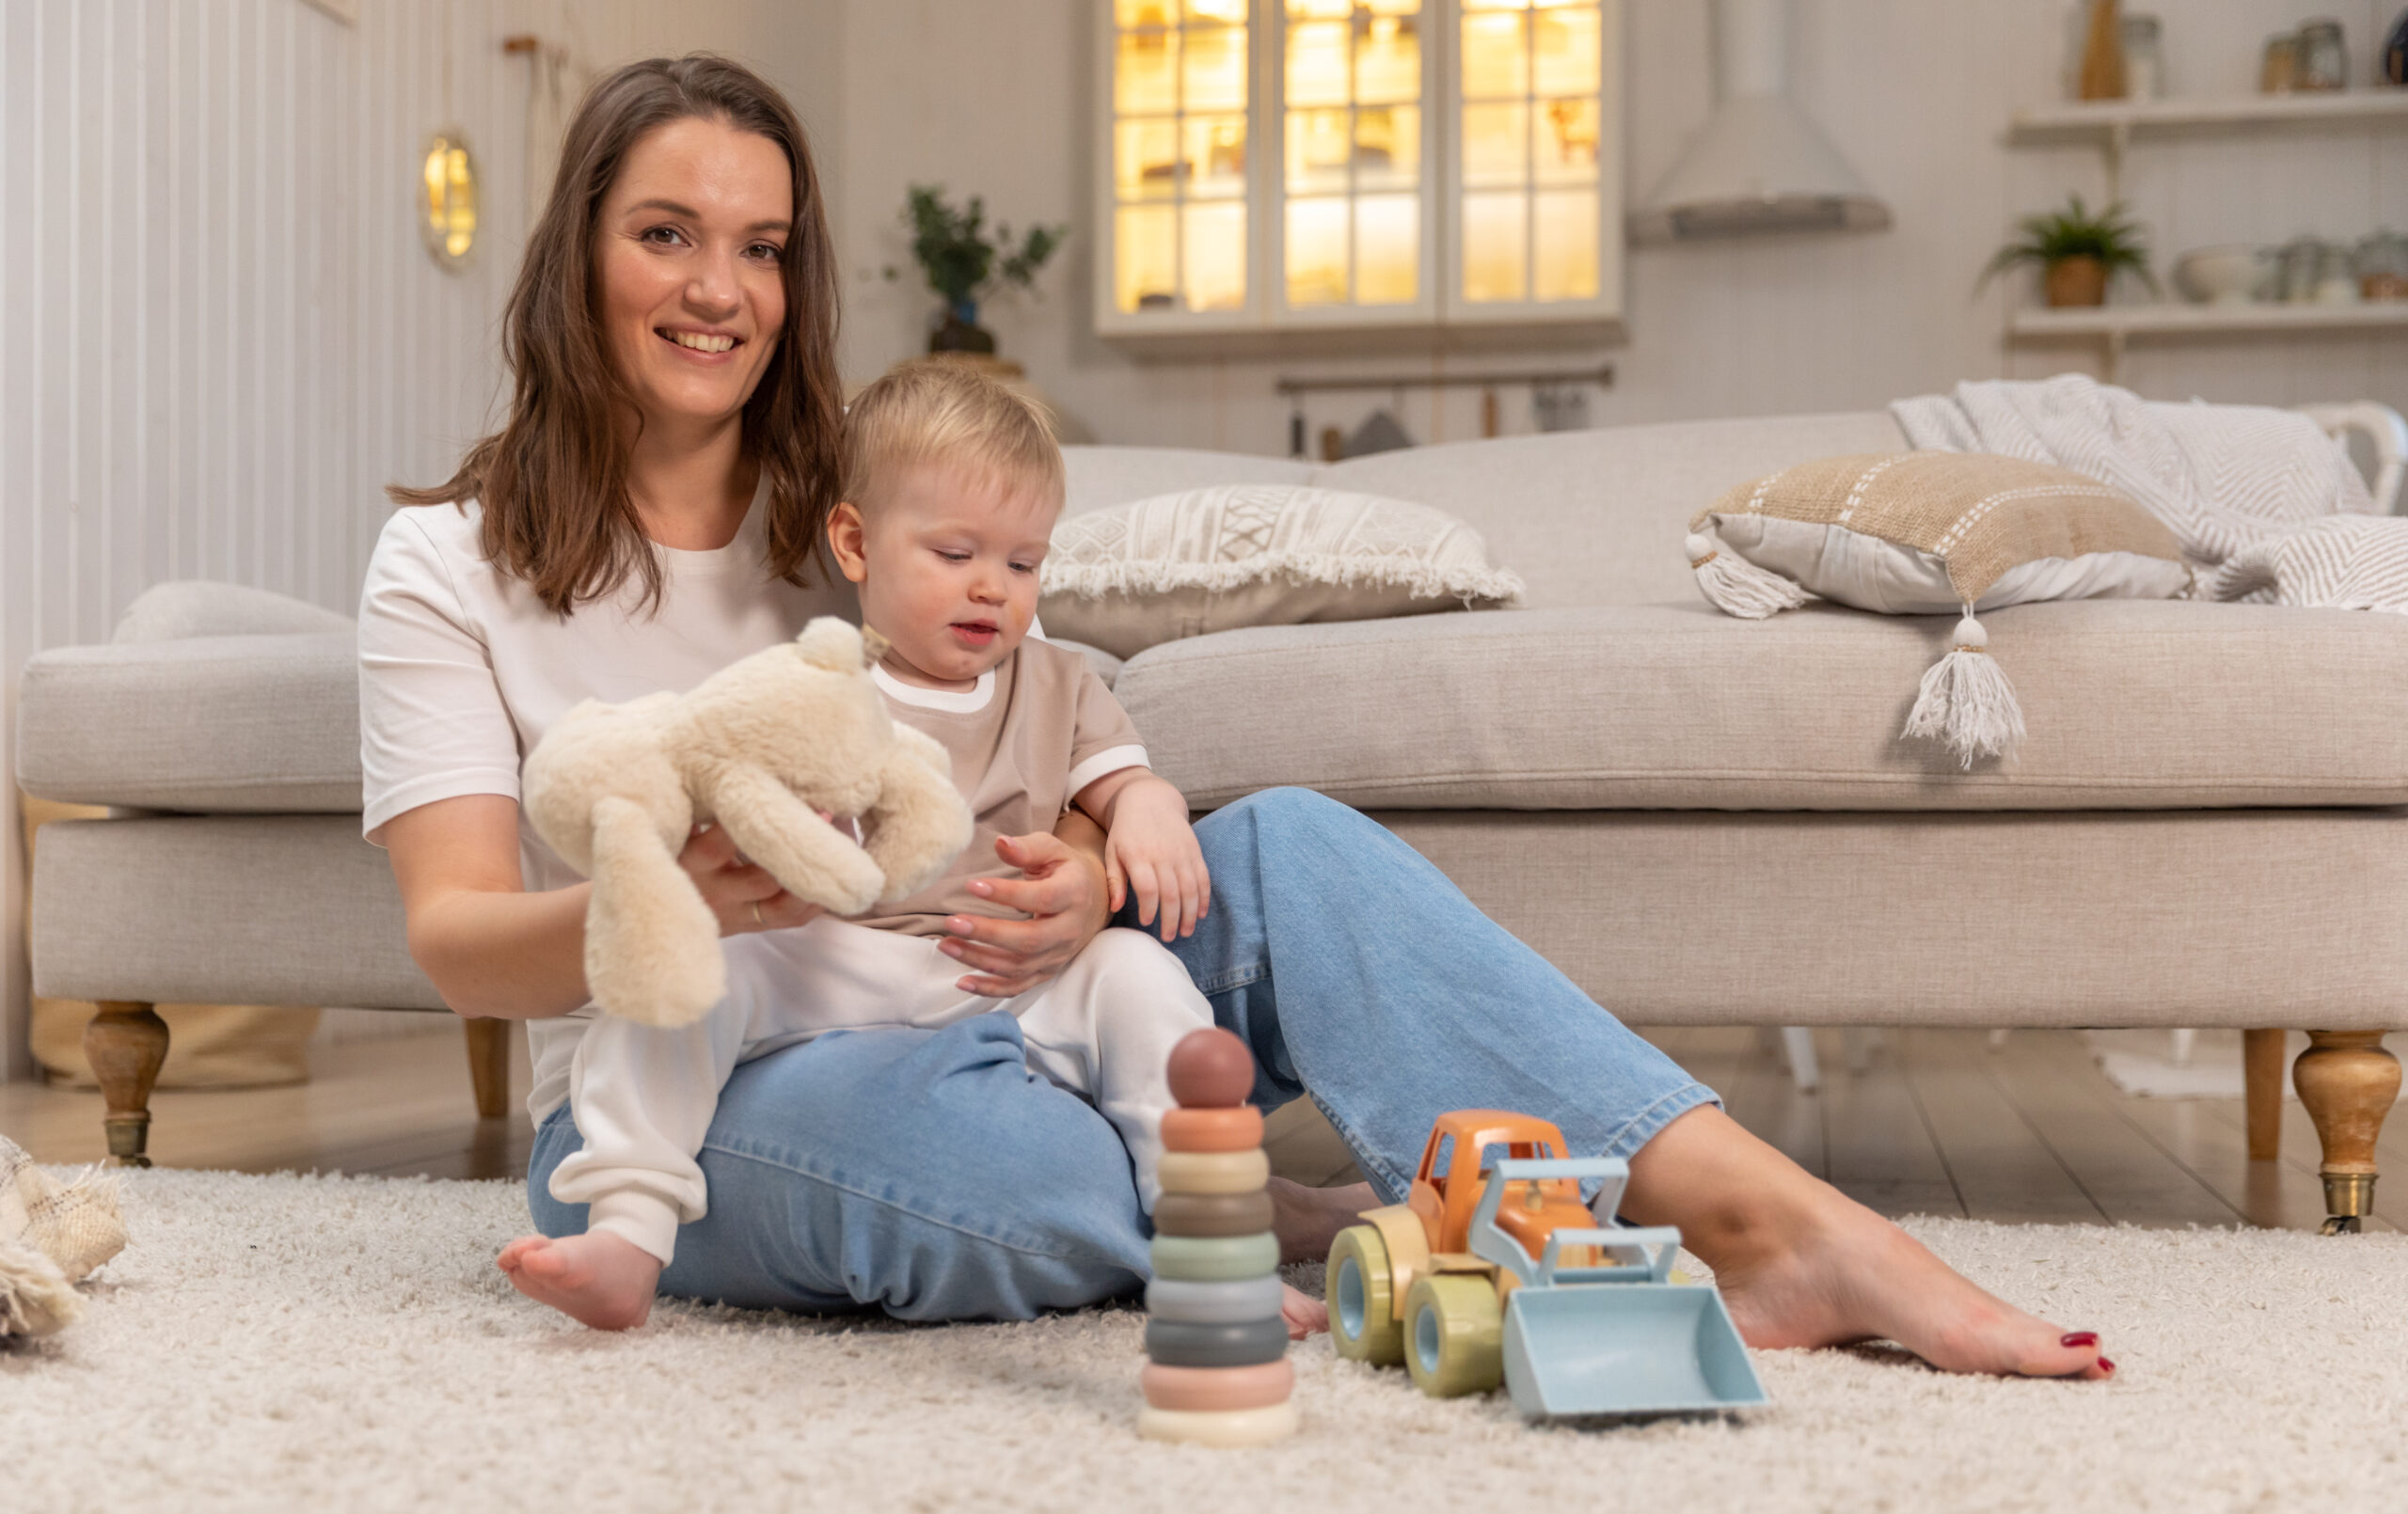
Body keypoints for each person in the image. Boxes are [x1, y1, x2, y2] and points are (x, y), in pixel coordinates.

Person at [361, 54, 2111, 1380]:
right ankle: (1227, 1205)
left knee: (1283, 847)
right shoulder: (449, 564)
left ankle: (1781, 1226)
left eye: (758, 247)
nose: (717, 290)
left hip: (989, 983)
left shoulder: (864, 511)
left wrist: (1099, 879)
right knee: (998, 1164)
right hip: (704, 1092)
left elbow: (1032, 736)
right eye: (665, 234)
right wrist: (670, 901)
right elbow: (455, 940)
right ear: (576, 250)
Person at [505, 359, 1230, 1331]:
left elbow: (1120, 781)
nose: (992, 590)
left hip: (1003, 972)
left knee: (1139, 974)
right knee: (689, 972)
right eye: (954, 553)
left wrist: (1149, 803)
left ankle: (1211, 1246)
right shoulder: (816, 684)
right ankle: (627, 1229)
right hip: (839, 957)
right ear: (854, 542)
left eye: (1022, 564)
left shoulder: (1060, 683)